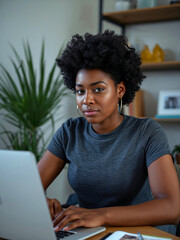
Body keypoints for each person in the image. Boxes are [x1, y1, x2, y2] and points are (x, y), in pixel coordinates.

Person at [38, 30, 180, 235]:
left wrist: (101, 215)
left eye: (98, 89)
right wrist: (41, 202)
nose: (87, 99)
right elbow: (29, 188)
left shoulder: (147, 132)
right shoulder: (70, 132)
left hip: (138, 232)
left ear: (120, 90)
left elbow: (171, 208)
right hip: (87, 230)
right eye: (80, 91)